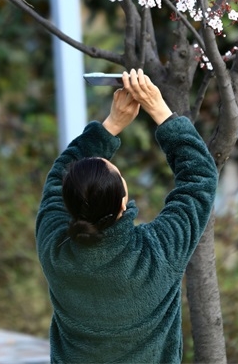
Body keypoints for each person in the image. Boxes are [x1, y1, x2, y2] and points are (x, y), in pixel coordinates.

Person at [36, 69, 219, 364]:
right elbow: (200, 178)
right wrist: (159, 109)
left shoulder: (55, 251)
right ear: (123, 203)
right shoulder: (157, 253)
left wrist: (110, 126)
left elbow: (58, 177)